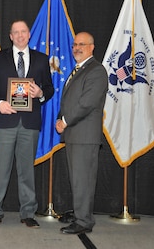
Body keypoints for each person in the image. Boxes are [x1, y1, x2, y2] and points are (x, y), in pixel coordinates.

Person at [0, 20, 54, 228]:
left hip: (29, 122)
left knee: (26, 169)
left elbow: (49, 88)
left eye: (23, 32)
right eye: (16, 32)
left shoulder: (41, 59)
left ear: (29, 34)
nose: (20, 35)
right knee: (0, 169)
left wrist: (40, 93)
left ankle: (28, 212)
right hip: (4, 120)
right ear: (11, 36)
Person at [55, 31, 108, 234]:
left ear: (92, 47)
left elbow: (86, 103)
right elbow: (69, 100)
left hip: (84, 135)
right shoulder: (79, 69)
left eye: (82, 44)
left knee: (83, 179)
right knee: (78, 178)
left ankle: (84, 222)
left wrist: (65, 122)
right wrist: (61, 119)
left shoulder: (96, 70)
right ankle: (80, 214)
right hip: (75, 134)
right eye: (75, 44)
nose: (77, 48)